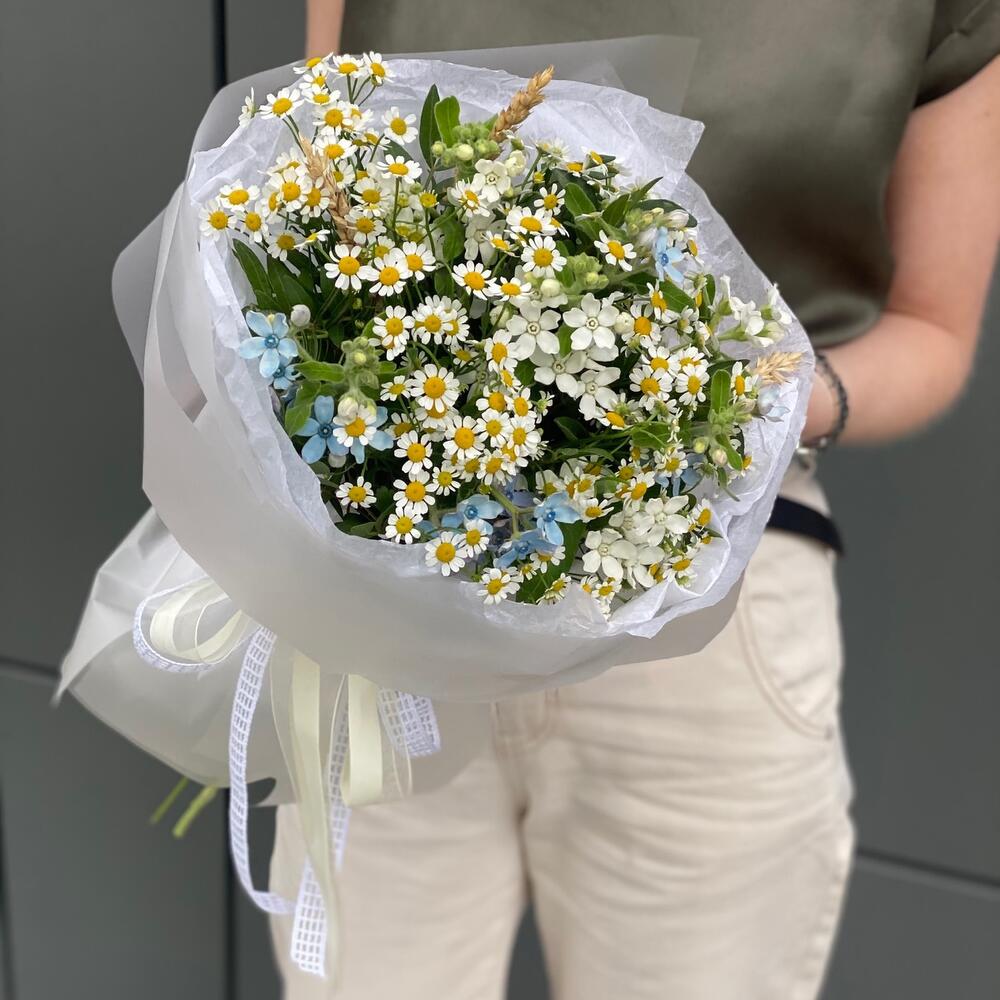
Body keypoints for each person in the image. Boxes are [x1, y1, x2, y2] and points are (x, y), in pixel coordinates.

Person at [269, 3, 1000, 997]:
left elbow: (932, 329)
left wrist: (745, 398)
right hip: (396, 584)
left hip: (704, 594)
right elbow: (320, 196)